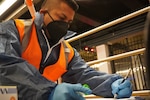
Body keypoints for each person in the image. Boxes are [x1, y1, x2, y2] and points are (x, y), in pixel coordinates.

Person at [0, 0, 132, 100]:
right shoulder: (13, 30)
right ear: (43, 13)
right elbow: (5, 66)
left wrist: (112, 84)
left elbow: (85, 75)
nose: (64, 26)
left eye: (68, 22)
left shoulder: (67, 52)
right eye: (61, 18)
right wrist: (48, 91)